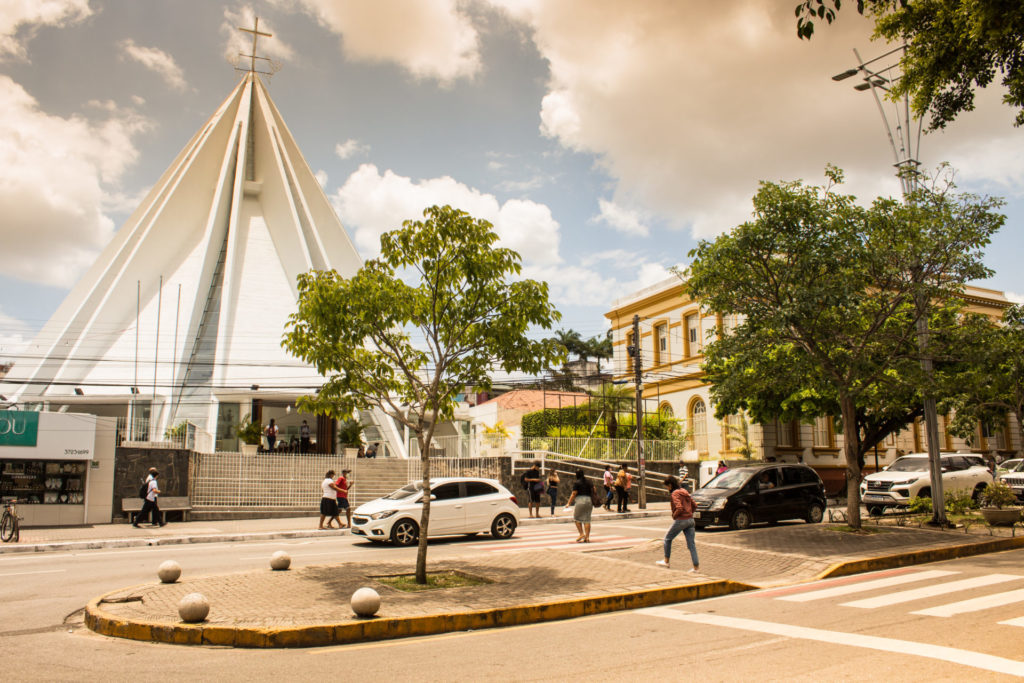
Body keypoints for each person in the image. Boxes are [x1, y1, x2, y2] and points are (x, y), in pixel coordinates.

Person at [656, 475, 699, 572]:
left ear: (670, 485)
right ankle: (696, 568)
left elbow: (679, 508)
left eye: (667, 486)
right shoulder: (685, 491)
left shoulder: (675, 494)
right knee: (691, 545)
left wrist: (675, 516)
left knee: (667, 538)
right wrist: (689, 513)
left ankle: (666, 561)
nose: (667, 488)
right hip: (691, 520)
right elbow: (694, 505)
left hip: (681, 520)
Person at [563, 469, 594, 542]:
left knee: (576, 518)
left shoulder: (577, 483)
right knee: (587, 519)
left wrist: (568, 503)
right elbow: (594, 490)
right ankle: (587, 537)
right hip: (589, 500)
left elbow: (574, 493)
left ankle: (581, 534)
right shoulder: (589, 481)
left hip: (580, 500)